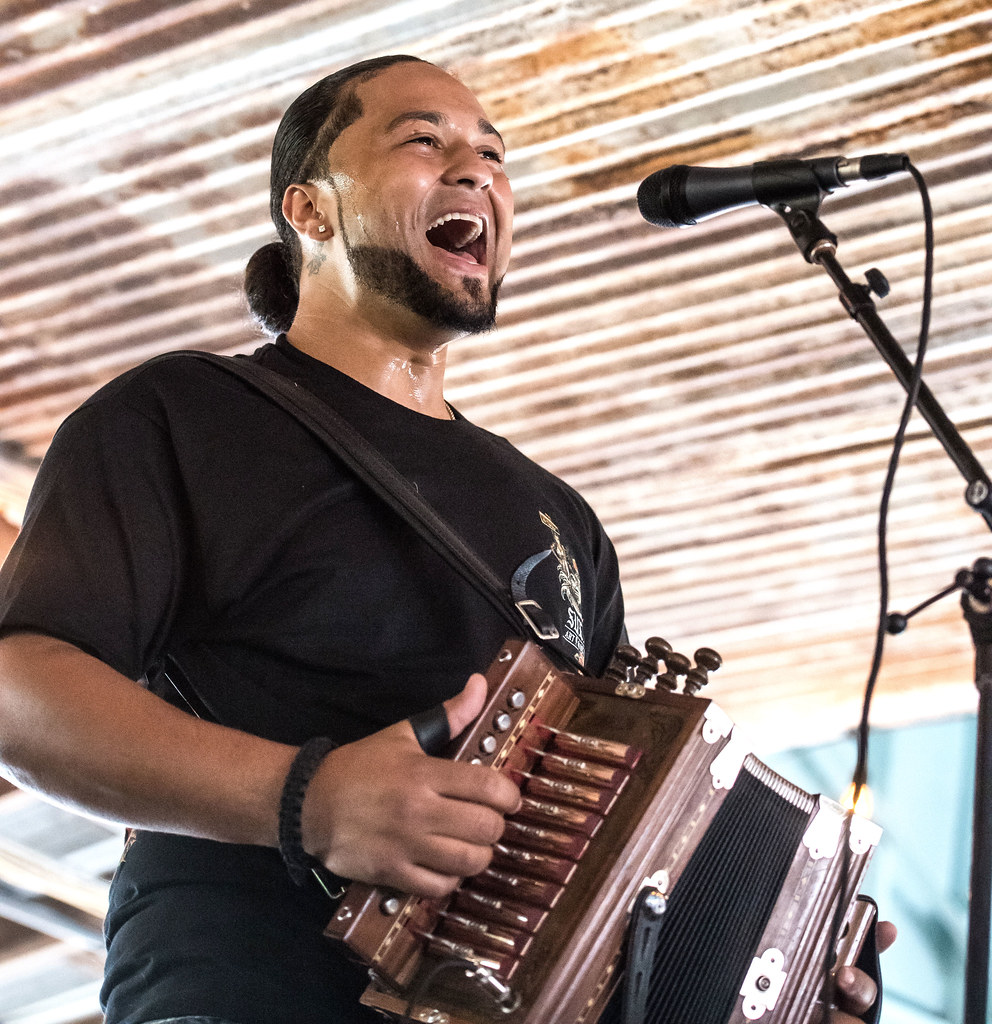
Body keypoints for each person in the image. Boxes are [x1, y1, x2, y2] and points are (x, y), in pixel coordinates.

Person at [0, 55, 892, 1024]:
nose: (475, 173)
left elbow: (607, 842)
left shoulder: (557, 514)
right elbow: (22, 688)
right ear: (309, 209)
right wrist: (313, 799)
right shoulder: (184, 411)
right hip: (252, 979)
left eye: (492, 156)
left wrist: (781, 971)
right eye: (423, 140)